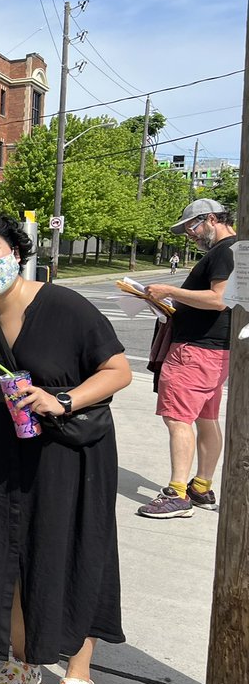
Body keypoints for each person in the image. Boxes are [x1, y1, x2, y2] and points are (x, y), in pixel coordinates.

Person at [0, 211, 132, 684]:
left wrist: (62, 399)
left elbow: (118, 371)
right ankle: (24, 658)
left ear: (15, 251)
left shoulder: (66, 307)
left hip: (67, 459)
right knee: (6, 555)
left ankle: (79, 673)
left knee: (70, 553)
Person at [137, 199, 236, 518]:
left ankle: (177, 493)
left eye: (191, 226)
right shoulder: (233, 250)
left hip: (194, 351)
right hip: (215, 351)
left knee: (178, 419)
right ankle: (201, 487)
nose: (189, 234)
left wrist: (170, 291)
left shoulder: (223, 252)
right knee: (207, 418)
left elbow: (218, 299)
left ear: (211, 219)